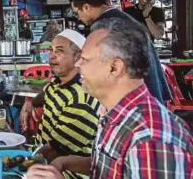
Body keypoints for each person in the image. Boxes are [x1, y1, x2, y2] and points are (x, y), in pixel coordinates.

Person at [26, 18, 193, 179]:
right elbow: (114, 167)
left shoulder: (151, 139)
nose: (77, 65)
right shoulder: (115, 114)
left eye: (84, 59)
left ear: (114, 67)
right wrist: (65, 162)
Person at [67, 0, 171, 104]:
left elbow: (102, 67)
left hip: (133, 98)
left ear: (86, 7)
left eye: (76, 13)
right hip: (150, 90)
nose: (78, 19)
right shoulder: (121, 17)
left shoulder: (104, 26)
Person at [20, 29, 100, 179]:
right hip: (44, 161)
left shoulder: (81, 100)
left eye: (60, 51)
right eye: (51, 49)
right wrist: (30, 103)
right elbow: (47, 93)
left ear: (78, 57)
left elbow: (52, 151)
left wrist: (18, 166)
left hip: (63, 173)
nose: (52, 55)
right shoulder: (58, 82)